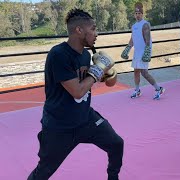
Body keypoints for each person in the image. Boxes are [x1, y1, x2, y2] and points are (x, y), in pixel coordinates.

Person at [28, 9, 123, 180]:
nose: (96, 34)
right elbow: (78, 91)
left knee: (117, 144)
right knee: (42, 173)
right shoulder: (59, 55)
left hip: (85, 120)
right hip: (59, 126)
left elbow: (108, 83)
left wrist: (110, 72)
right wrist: (98, 70)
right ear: (79, 30)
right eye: (93, 29)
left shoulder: (86, 55)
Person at [121, 2, 165, 100]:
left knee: (144, 73)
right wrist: (127, 49)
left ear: (142, 14)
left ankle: (158, 89)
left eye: (139, 13)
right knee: (136, 71)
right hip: (137, 52)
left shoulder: (145, 24)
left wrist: (147, 53)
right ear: (134, 14)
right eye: (136, 13)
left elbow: (148, 40)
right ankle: (137, 90)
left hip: (143, 52)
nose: (137, 15)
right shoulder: (134, 26)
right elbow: (132, 39)